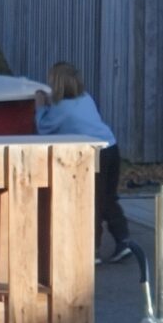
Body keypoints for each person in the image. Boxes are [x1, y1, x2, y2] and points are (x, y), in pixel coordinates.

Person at [37, 62, 134, 263]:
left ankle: (92, 250)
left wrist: (40, 108)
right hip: (110, 146)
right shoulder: (86, 98)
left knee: (92, 201)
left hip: (94, 153)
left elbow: (43, 128)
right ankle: (123, 239)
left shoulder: (61, 108)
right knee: (107, 198)